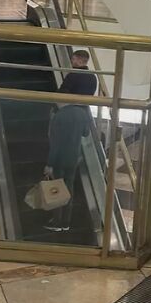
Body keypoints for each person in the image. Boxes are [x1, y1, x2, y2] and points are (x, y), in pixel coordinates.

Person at [43, 50, 97, 232]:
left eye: (74, 58)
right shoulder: (93, 79)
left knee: (58, 187)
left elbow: (56, 144)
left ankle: (56, 221)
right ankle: (66, 221)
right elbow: (85, 134)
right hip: (74, 157)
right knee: (70, 187)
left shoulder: (59, 116)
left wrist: (49, 164)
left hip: (59, 159)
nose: (72, 61)